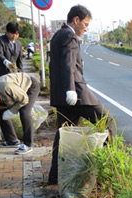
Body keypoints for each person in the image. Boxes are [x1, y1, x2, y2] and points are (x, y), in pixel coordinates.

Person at [48, 5, 115, 185]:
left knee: (63, 134)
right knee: (107, 121)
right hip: (76, 93)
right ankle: (109, 166)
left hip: (63, 96)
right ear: (76, 20)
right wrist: (70, 88)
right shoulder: (69, 36)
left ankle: (55, 175)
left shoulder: (57, 35)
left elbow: (58, 64)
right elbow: (68, 64)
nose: (86, 28)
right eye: (85, 23)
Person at [0, 73, 40, 155]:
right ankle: (12, 140)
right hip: (13, 94)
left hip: (29, 86)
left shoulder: (7, 87)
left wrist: (11, 111)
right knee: (1, 113)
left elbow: (24, 99)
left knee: (24, 112)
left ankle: (28, 144)